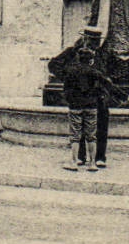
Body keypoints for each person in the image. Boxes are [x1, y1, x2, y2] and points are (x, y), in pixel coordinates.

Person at [49, 26, 116, 167]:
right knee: (78, 127)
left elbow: (115, 70)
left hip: (99, 96)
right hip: (78, 96)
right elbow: (53, 65)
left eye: (97, 41)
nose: (95, 44)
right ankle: (80, 157)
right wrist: (68, 78)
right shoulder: (72, 52)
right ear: (85, 39)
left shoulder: (104, 54)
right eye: (92, 40)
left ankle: (99, 158)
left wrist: (107, 82)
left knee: (101, 126)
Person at [60, 43, 118, 172]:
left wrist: (71, 101)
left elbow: (66, 90)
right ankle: (92, 163)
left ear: (78, 58)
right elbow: (107, 83)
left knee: (75, 135)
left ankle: (75, 162)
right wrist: (124, 96)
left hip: (76, 107)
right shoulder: (94, 72)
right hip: (91, 106)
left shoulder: (71, 71)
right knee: (92, 136)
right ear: (91, 60)